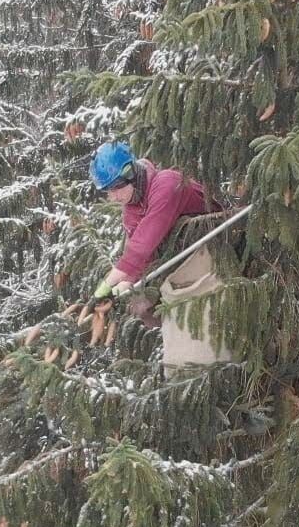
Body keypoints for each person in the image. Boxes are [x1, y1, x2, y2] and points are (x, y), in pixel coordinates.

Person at [87, 142, 233, 369]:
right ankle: (181, 355)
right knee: (142, 305)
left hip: (217, 243)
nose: (113, 197)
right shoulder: (131, 210)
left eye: (116, 188)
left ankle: (211, 360)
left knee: (199, 305)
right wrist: (117, 291)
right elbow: (140, 260)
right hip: (182, 254)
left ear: (130, 173)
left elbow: (144, 244)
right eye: (108, 191)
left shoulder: (167, 184)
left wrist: (107, 283)